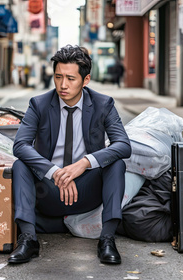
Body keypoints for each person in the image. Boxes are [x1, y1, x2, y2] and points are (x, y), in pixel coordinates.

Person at [9, 45, 132, 265]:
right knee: (20, 164)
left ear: (85, 80)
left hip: (87, 189)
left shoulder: (103, 104)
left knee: (116, 164)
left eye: (70, 78)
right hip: (48, 190)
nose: (63, 85)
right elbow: (20, 145)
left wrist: (84, 163)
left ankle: (107, 239)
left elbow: (123, 145)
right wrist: (54, 171)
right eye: (58, 77)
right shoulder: (39, 104)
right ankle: (28, 239)